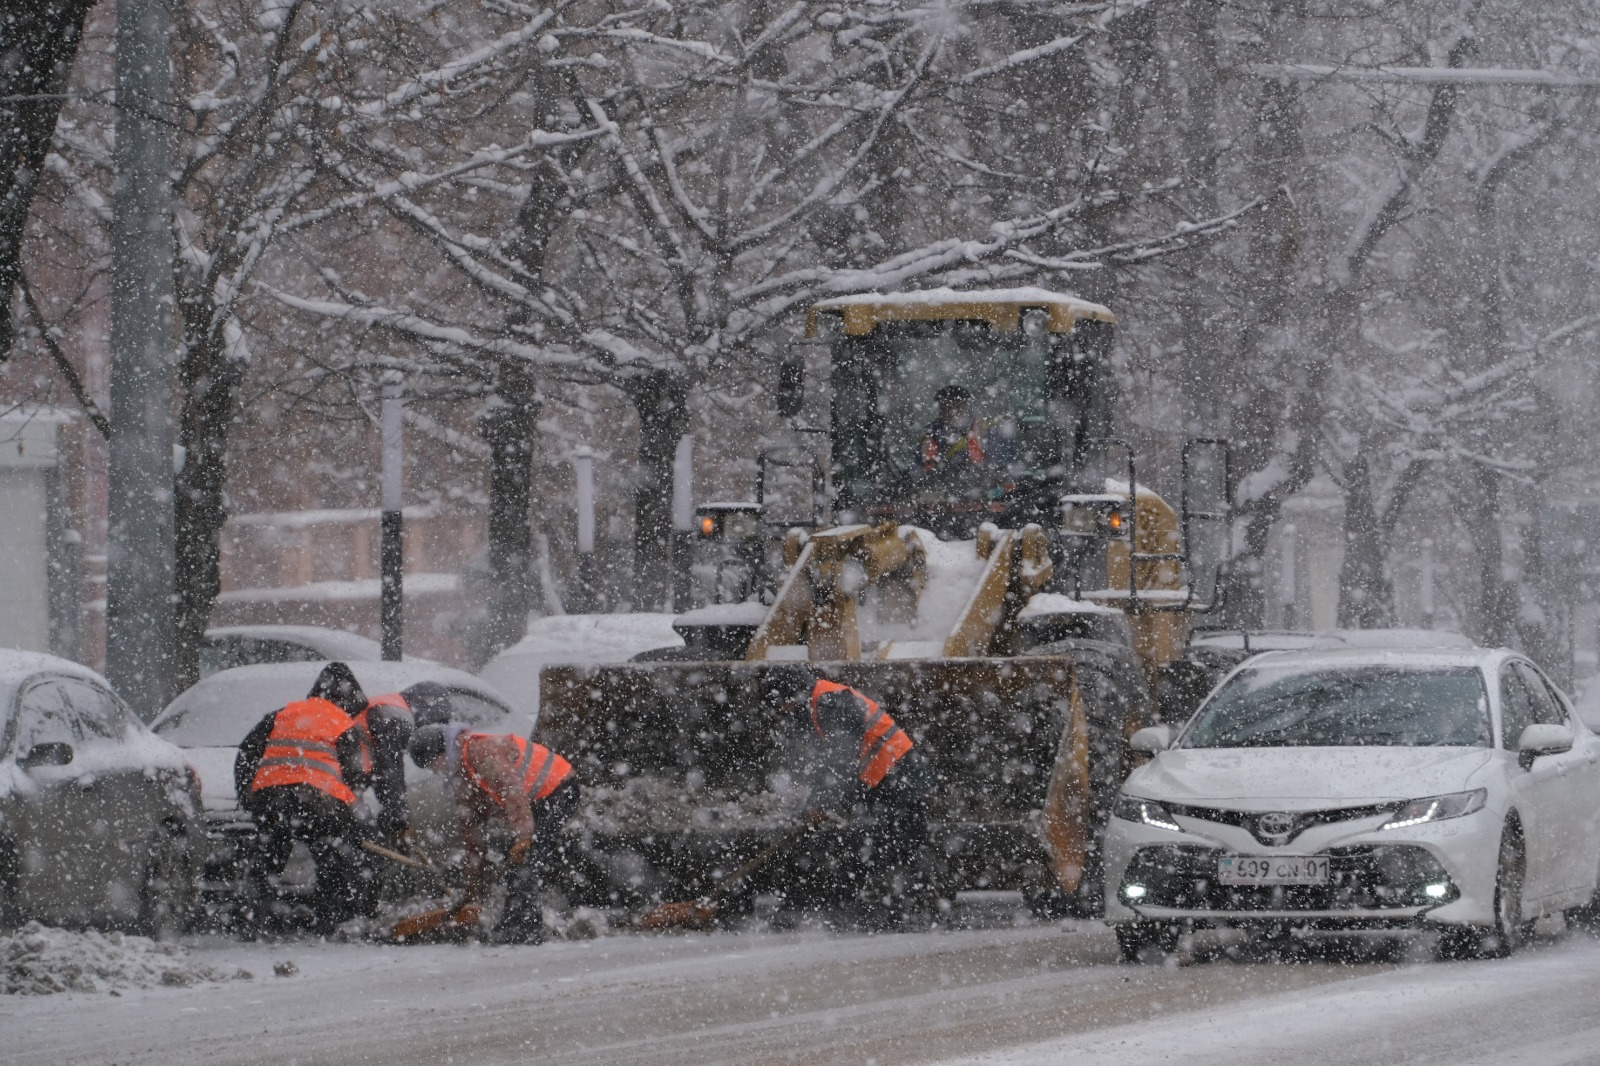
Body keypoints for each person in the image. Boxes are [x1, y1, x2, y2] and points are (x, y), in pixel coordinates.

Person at [760, 664, 936, 929]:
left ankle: (917, 908)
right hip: (883, 776)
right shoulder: (813, 705)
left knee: (901, 841)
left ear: (792, 693)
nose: (782, 710)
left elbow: (839, 759)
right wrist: (815, 804)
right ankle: (905, 905)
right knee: (889, 840)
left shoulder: (830, 702)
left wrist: (822, 802)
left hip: (898, 772)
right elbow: (826, 763)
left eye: (782, 702)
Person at [234, 661, 376, 932]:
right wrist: (353, 812)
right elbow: (355, 775)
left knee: (271, 850)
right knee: (330, 851)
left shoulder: (283, 713)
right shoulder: (341, 722)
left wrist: (247, 795)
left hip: (270, 797)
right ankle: (331, 916)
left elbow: (246, 753)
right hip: (315, 801)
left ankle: (250, 917)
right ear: (347, 697)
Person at [408, 724, 580, 944]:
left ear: (442, 753)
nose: (434, 771)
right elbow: (472, 833)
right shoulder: (461, 778)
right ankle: (511, 922)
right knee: (515, 860)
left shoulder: (480, 752)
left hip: (558, 788)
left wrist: (524, 837)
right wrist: (474, 884)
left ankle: (526, 928)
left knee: (526, 861)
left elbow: (512, 791)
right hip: (534, 802)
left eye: (433, 765)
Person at [348, 681, 453, 849]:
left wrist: (393, 813)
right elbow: (390, 771)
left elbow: (382, 772)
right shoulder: (397, 716)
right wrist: (400, 821)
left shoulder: (390, 706)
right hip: (334, 776)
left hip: (340, 774)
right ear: (428, 714)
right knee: (356, 849)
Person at [919, 384, 986, 477]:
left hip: (979, 485)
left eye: (956, 406)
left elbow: (996, 463)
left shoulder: (980, 430)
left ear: (966, 406)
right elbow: (922, 468)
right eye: (945, 407)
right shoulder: (931, 435)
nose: (951, 411)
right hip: (942, 486)